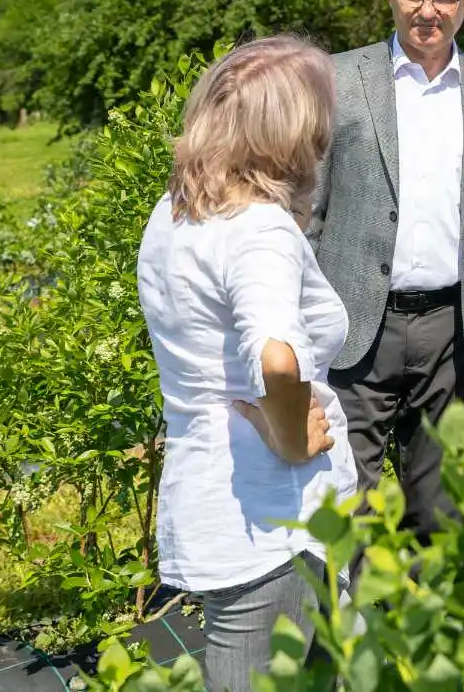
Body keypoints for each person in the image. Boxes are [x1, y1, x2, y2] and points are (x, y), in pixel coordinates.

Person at [136, 35, 357, 692]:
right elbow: (278, 360)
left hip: (211, 495)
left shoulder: (174, 214)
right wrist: (292, 437)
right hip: (274, 518)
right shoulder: (260, 228)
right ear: (291, 133)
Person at [311, 0, 464, 541]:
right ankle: (349, 631)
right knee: (343, 496)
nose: (427, 10)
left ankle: (428, 625)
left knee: (441, 505)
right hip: (352, 321)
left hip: (454, 328)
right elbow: (310, 214)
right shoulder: (335, 80)